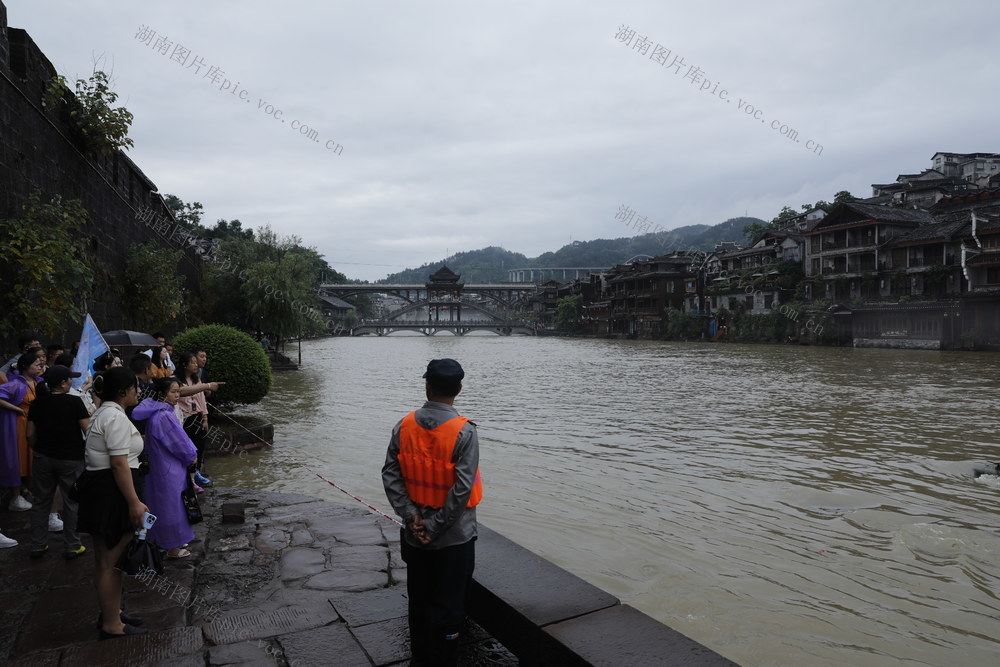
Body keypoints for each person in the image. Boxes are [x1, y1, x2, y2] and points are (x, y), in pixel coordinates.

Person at [382, 358, 483, 666]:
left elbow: (391, 474)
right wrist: (436, 525)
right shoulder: (464, 432)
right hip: (454, 538)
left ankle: (420, 655)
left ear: (426, 385)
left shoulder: (404, 425)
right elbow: (462, 489)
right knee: (450, 604)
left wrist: (412, 517)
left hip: (413, 534)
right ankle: (443, 658)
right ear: (459, 389)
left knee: (419, 598)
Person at [75, 367, 149, 639]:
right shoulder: (115, 418)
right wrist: (134, 502)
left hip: (101, 489)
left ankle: (112, 612)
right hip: (112, 492)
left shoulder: (103, 413)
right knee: (110, 562)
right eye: (135, 387)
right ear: (123, 391)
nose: (138, 391)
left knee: (107, 560)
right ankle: (111, 625)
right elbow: (119, 464)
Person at [26, 365, 89, 559]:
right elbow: (87, 429)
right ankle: (72, 545)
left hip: (43, 457)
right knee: (71, 502)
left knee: (40, 501)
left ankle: (38, 544)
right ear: (63, 383)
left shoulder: (37, 403)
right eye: (69, 379)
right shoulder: (74, 402)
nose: (71, 381)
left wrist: (38, 449)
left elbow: (30, 434)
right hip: (70, 458)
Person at [132, 377, 197, 559]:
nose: (177, 395)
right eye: (173, 392)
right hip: (169, 469)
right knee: (171, 507)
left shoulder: (156, 413)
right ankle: (172, 547)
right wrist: (192, 456)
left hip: (161, 467)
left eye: (178, 391)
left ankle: (158, 539)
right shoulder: (164, 416)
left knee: (158, 504)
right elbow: (180, 443)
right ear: (162, 393)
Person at [0, 350, 47, 512]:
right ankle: (16, 496)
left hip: (34, 425)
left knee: (32, 459)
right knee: (17, 460)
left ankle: (28, 492)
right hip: (18, 426)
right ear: (26, 366)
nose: (40, 365)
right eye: (36, 363)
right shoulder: (15, 384)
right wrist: (17, 409)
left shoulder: (39, 382)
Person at [175, 353, 220, 489]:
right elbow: (183, 391)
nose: (196, 365)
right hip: (184, 419)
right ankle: (187, 476)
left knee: (199, 447)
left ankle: (196, 474)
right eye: (193, 362)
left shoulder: (196, 380)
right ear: (184, 365)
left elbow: (201, 399)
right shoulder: (175, 380)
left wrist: (205, 417)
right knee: (187, 448)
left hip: (197, 417)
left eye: (196, 362)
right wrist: (207, 386)